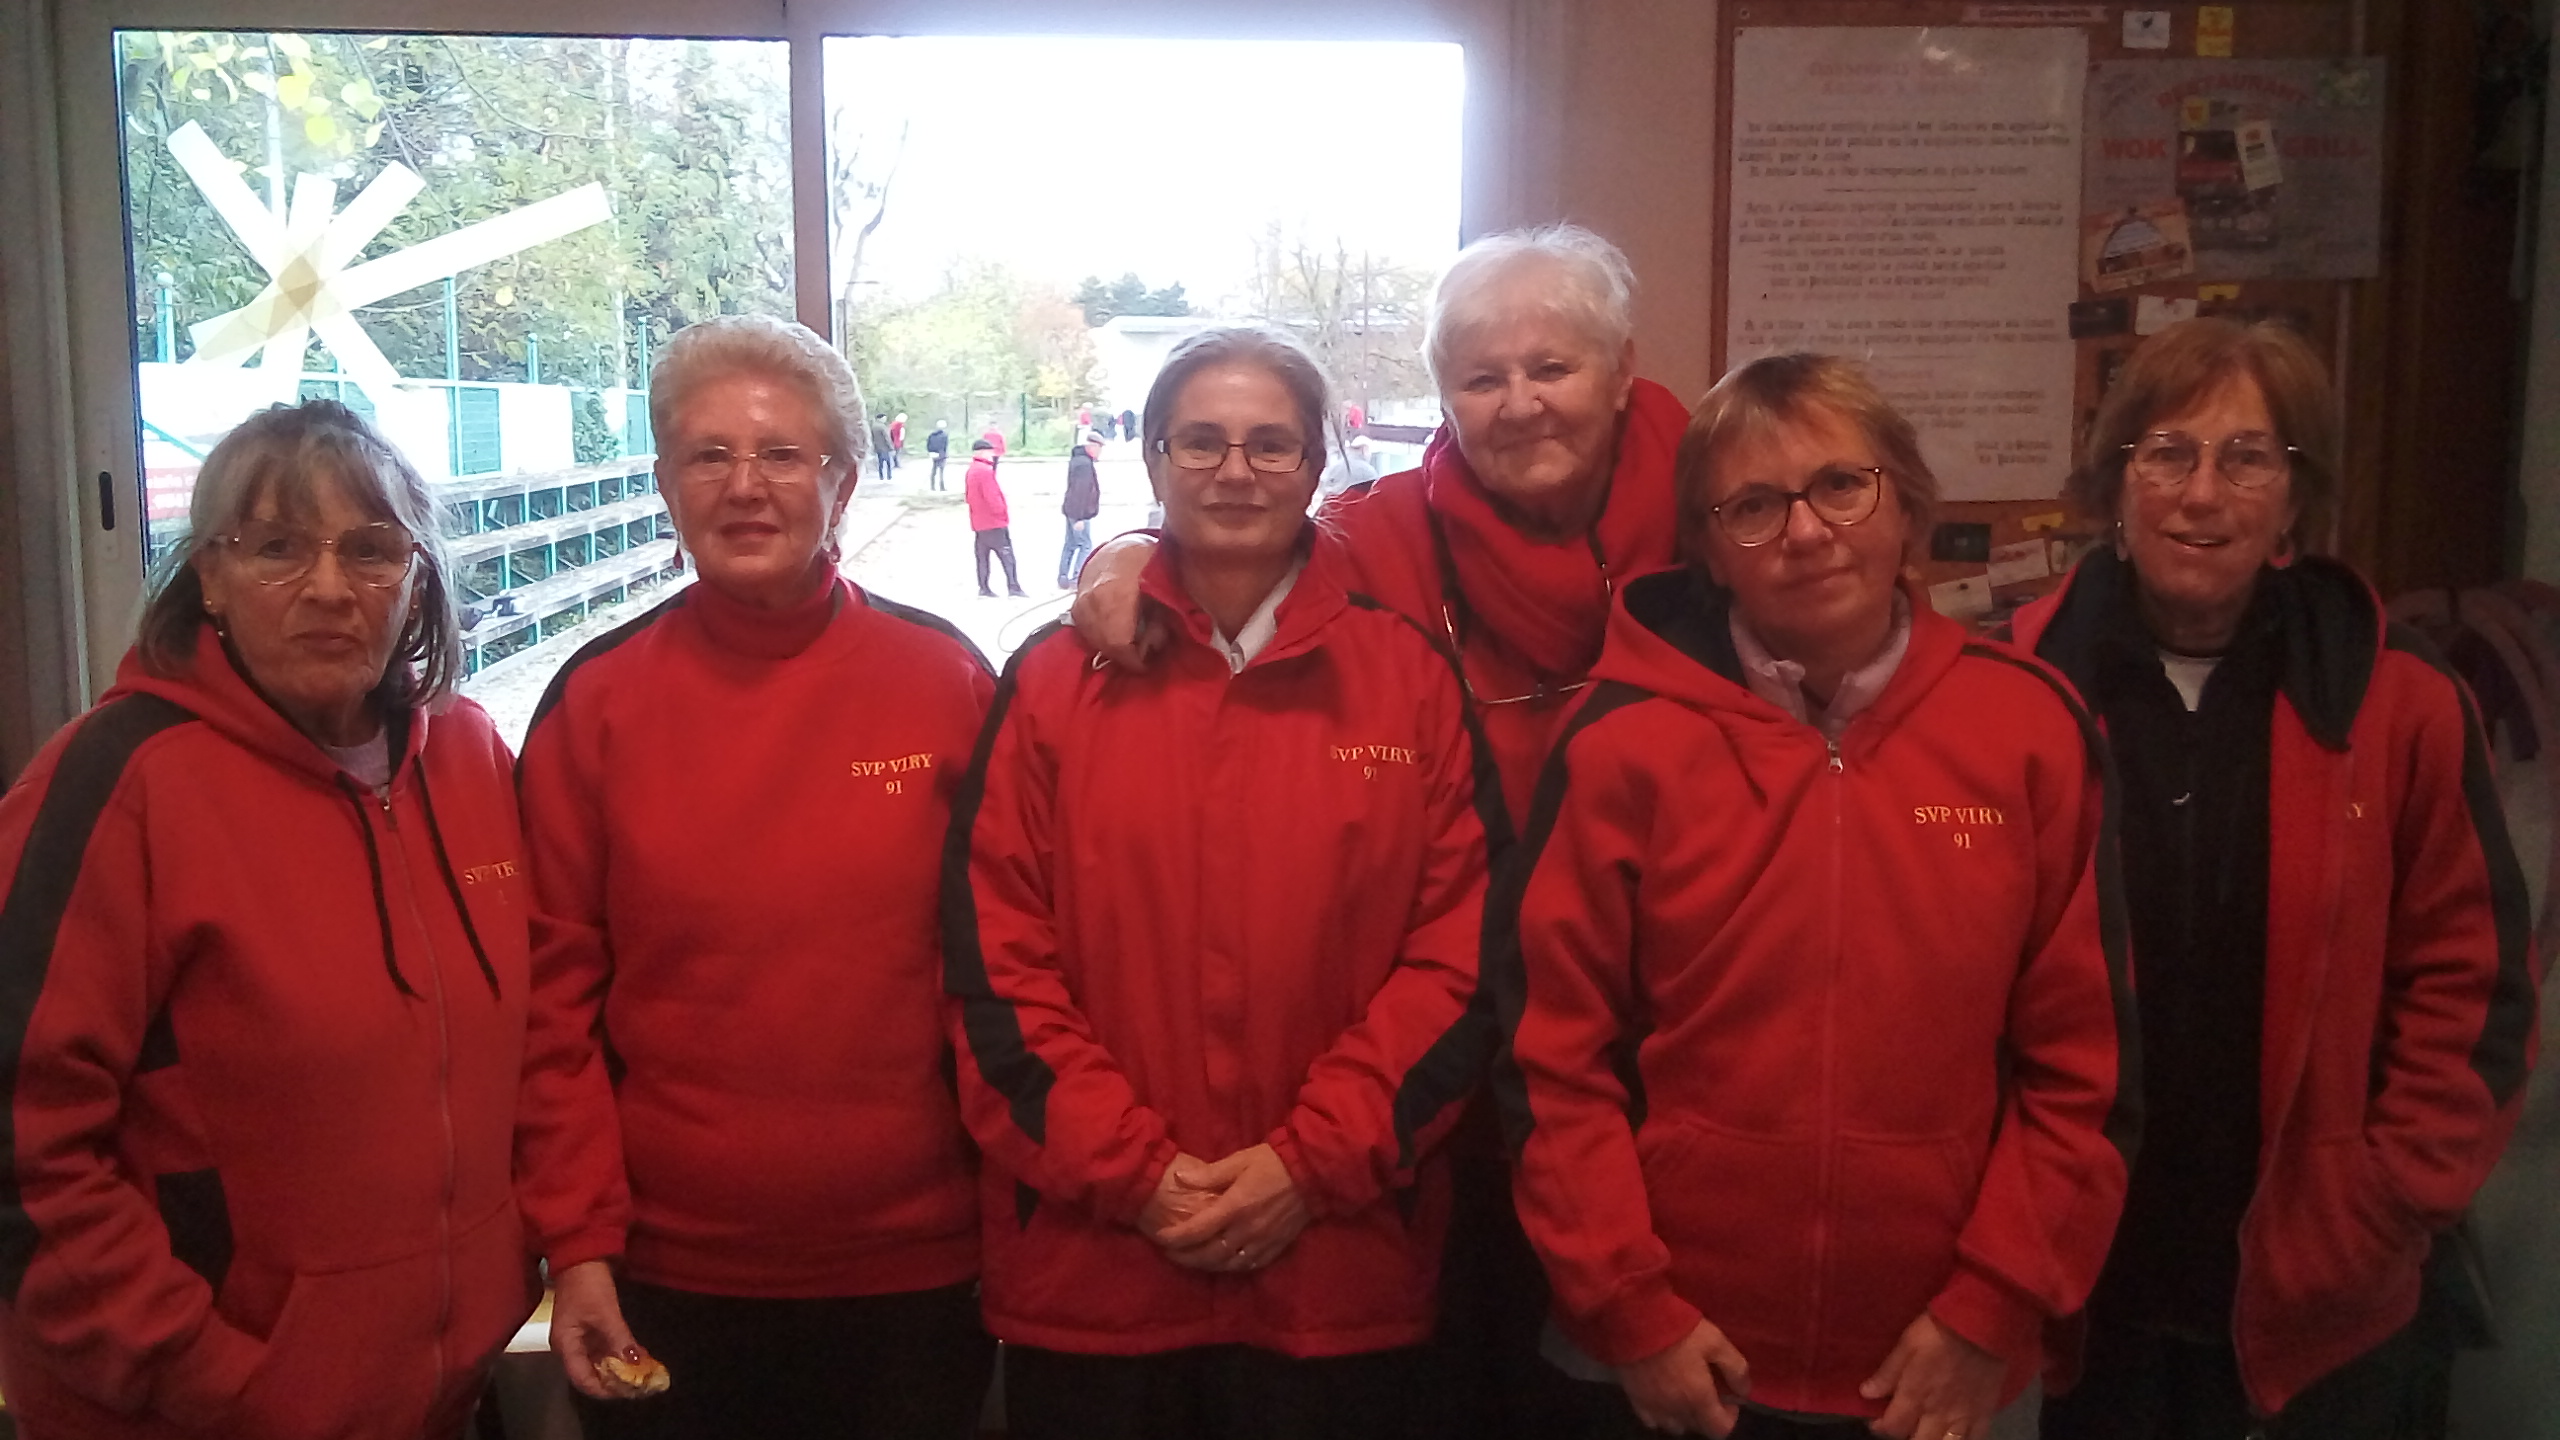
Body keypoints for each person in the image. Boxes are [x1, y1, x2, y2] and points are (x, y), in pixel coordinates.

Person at [1073, 223, 1691, 1436]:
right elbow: (1235, 537)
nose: (1518, 404)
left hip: (1663, 1069)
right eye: (1479, 377)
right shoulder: (1377, 538)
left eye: (1552, 368)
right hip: (1444, 1101)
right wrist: (1126, 546)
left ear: (1623, 370)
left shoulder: (1718, 514)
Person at [1501, 352, 2137, 1440]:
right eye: (1752, 506)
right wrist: (1631, 1310)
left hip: (1940, 1364)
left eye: (1841, 485)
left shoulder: (2030, 729)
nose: (1803, 532)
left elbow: (2083, 1067)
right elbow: (1552, 1061)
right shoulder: (1624, 743)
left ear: (1905, 501)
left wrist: (1992, 1308)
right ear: (1706, 547)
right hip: (1677, 1361)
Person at [944, 328, 1498, 1440]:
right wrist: (1138, 1175)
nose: (1235, 471)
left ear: (1318, 464)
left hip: (1334, 1275)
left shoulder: (1408, 683)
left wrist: (1307, 1167)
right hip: (1096, 1276)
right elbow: (992, 969)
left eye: (1269, 444)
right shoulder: (1054, 684)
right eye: (1199, 442)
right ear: (1149, 463)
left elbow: (1463, 963)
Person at [2008, 317, 2536, 1439]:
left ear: (2296, 505)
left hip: (2327, 1295)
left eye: (2249, 458)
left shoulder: (2398, 702)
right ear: (2116, 486)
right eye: (2167, 453)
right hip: (2090, 1283)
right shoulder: (2017, 693)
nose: (2202, 493)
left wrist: (2386, 1201)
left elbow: (2475, 987)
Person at [0, 398, 536, 1438]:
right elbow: (21, 1143)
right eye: (277, 547)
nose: (329, 588)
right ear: (208, 574)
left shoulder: (471, 763)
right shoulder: (115, 785)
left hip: (436, 1398)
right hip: (202, 1412)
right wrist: (204, 1373)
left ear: (417, 576)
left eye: (373, 549)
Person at [518, 316, 997, 1440]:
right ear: (663, 482)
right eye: (708, 455)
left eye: (782, 455)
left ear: (841, 482)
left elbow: (1014, 973)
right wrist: (576, 1245)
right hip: (668, 1276)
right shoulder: (597, 706)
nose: (746, 487)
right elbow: (550, 1009)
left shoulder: (946, 683)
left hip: (919, 1269)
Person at [966, 437, 1025, 597]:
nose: (992, 455)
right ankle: (1013, 587)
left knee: (982, 557)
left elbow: (969, 497)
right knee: (1007, 556)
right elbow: (992, 497)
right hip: (993, 522)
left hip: (979, 522)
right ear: (982, 452)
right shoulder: (985, 471)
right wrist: (1001, 513)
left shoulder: (972, 470)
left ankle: (984, 587)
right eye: (990, 451)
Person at [1059, 427, 1103, 588]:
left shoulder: (1077, 460)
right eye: (1099, 449)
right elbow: (1080, 492)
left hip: (1071, 509)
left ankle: (1063, 577)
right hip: (1079, 512)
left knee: (1070, 544)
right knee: (1085, 545)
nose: (1100, 453)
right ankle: (1078, 578)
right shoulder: (1084, 465)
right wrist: (1080, 518)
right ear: (1092, 446)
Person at [927, 420, 951, 491]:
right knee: (941, 470)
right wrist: (945, 454)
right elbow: (945, 446)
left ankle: (932, 486)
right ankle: (941, 486)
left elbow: (928, 444)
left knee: (934, 470)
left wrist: (930, 451)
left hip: (933, 453)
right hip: (941, 454)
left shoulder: (931, 435)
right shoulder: (944, 435)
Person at [873, 417, 896, 481]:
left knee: (880, 463)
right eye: (884, 418)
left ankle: (881, 476)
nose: (885, 419)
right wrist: (891, 447)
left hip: (877, 447)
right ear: (880, 418)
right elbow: (887, 438)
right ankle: (889, 476)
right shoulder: (883, 427)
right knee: (888, 462)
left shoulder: (874, 426)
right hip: (885, 447)